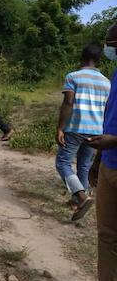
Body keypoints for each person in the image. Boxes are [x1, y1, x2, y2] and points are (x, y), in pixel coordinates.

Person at [69, 22, 117, 281]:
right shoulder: (113, 76)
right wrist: (99, 161)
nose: (110, 49)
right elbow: (109, 121)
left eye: (114, 44)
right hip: (110, 164)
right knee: (108, 235)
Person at [55, 45, 110, 221]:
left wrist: (60, 128)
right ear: (99, 61)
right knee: (84, 166)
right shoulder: (107, 82)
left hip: (75, 127)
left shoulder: (73, 77)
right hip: (96, 130)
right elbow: (108, 110)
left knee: (62, 163)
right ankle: (76, 201)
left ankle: (81, 196)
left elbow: (68, 103)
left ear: (81, 58)